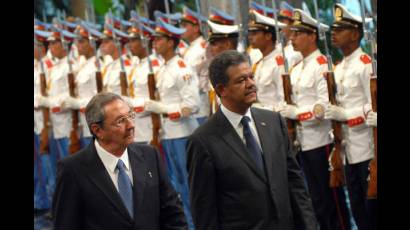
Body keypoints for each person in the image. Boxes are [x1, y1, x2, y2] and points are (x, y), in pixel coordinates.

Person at [186, 50, 317, 229]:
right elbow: (204, 209)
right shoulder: (202, 141)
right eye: (241, 80)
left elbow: (294, 183)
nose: (251, 84)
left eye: (251, 77)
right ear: (221, 89)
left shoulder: (273, 121)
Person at [52, 92, 187, 230]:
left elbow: (173, 214)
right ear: (98, 130)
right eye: (120, 121)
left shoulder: (150, 156)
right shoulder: (72, 170)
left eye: (130, 116)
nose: (131, 125)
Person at [279, 9, 351, 230]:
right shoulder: (297, 68)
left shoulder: (321, 64)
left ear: (312, 36)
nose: (292, 38)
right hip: (304, 142)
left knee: (333, 202)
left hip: (322, 141)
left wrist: (296, 113)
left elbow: (323, 107)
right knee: (316, 201)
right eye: (292, 33)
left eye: (298, 33)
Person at [326, 3, 376, 229]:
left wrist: (346, 115)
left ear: (355, 34)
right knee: (356, 207)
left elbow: (372, 105)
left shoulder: (365, 64)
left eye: (340, 29)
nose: (333, 34)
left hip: (366, 146)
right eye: (333, 30)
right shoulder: (338, 67)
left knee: (370, 208)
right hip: (347, 148)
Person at [148, 18, 200, 230]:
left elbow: (192, 106)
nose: (154, 42)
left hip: (183, 133)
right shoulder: (163, 68)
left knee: (189, 184)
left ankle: (195, 224)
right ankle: (185, 223)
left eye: (159, 39)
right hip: (168, 134)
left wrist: (161, 108)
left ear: (171, 42)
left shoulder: (182, 68)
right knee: (176, 185)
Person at [248, 9, 286, 111]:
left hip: (273, 119)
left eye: (255, 33)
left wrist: (262, 109)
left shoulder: (279, 63)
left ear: (268, 36)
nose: (250, 37)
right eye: (250, 33)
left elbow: (284, 102)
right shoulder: (259, 63)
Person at [180, 6, 209, 125]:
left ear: (196, 28)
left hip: (200, 106)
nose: (182, 29)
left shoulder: (202, 48)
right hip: (189, 104)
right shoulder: (189, 48)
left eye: (185, 26)